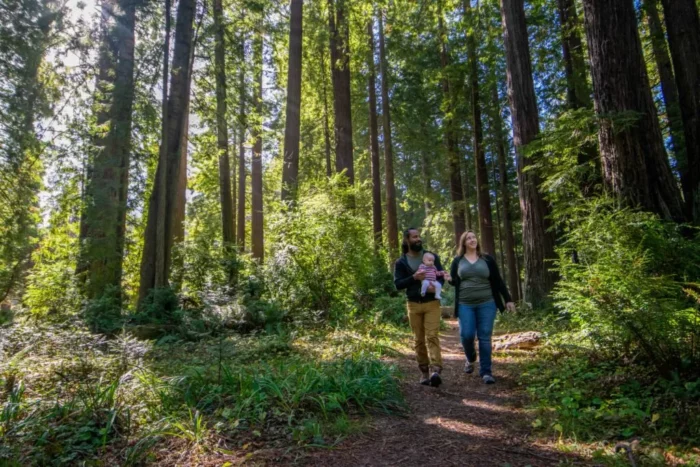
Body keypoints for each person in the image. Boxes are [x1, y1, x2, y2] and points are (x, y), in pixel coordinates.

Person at [448, 230, 516, 384]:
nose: (473, 240)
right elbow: (454, 281)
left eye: (474, 237)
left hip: (487, 303)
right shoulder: (458, 261)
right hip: (465, 304)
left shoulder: (487, 259)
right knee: (467, 335)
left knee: (485, 337)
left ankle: (486, 371)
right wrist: (448, 279)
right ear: (464, 243)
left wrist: (508, 299)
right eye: (469, 238)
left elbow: (498, 280)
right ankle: (470, 357)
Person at [394, 228, 450, 387]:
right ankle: (424, 371)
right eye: (414, 237)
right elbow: (398, 284)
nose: (418, 239)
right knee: (418, 339)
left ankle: (436, 370)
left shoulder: (431, 256)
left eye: (419, 236)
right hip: (413, 304)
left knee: (432, 335)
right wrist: (413, 278)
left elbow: (441, 276)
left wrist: (437, 286)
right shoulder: (401, 262)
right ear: (407, 240)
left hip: (432, 303)